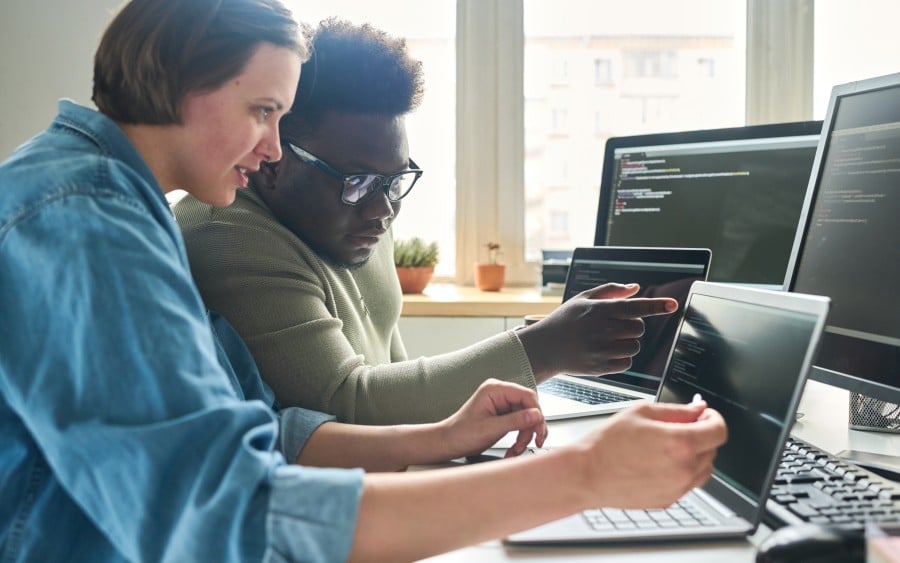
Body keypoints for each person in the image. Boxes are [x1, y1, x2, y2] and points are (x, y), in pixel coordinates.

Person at [0, 1, 727, 560]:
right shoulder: (84, 219)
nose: (274, 147)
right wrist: (586, 477)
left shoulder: (117, 200)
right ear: (181, 83)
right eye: (263, 111)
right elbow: (227, 511)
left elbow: (267, 427)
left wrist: (442, 434)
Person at [175, 18, 680, 425]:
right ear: (275, 157)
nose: (382, 210)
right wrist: (542, 349)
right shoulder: (227, 235)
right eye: (358, 181)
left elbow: (394, 375)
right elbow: (345, 404)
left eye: (395, 181)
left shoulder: (359, 214)